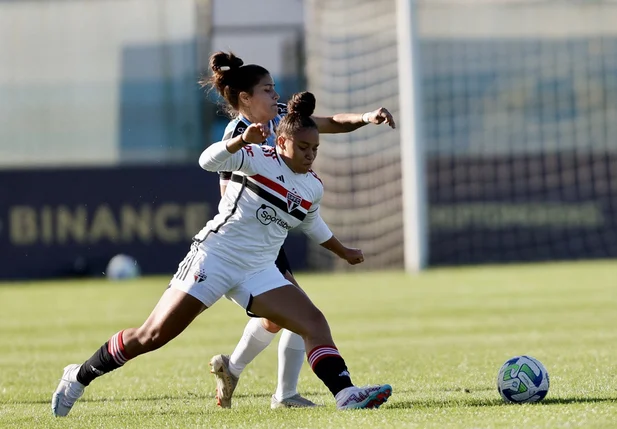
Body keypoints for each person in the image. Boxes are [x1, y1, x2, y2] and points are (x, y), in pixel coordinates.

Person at [51, 91, 393, 417]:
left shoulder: (312, 185)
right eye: (303, 147)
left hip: (259, 269)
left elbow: (312, 222)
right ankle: (78, 376)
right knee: (152, 336)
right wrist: (241, 141)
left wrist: (343, 250)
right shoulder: (258, 156)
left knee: (313, 322)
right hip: (215, 257)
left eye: (315, 149)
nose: (310, 155)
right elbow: (206, 160)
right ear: (282, 142)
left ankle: (345, 394)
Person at [201, 51, 396, 409]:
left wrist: (367, 117)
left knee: (282, 319)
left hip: (268, 236)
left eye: (274, 89)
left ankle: (242, 372)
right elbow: (229, 189)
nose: (275, 95)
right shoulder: (240, 133)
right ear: (246, 98)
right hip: (249, 239)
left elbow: (332, 122)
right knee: (301, 315)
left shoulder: (280, 125)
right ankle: (283, 393)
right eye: (267, 89)